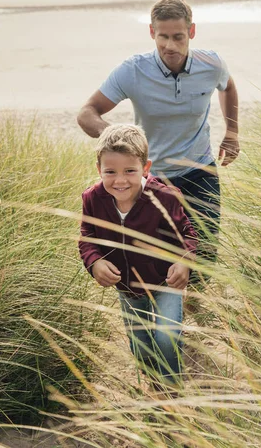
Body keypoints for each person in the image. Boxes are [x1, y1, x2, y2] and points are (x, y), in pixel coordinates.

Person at [77, 0, 239, 282]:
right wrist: (115, 136)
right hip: (152, 181)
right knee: (158, 260)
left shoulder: (210, 64)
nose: (170, 46)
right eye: (163, 37)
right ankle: (166, 316)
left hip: (201, 173)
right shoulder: (133, 70)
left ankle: (195, 314)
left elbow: (228, 86)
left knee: (203, 259)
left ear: (192, 31)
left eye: (178, 36)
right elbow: (87, 113)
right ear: (152, 32)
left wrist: (232, 132)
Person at [79, 123, 197, 389]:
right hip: (128, 287)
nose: (120, 180)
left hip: (165, 282)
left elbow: (188, 233)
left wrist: (184, 261)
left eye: (130, 171)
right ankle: (154, 382)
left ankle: (172, 391)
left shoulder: (165, 197)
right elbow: (87, 235)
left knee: (166, 338)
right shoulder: (93, 199)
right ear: (99, 170)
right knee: (141, 346)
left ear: (145, 168)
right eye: (110, 172)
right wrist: (95, 261)